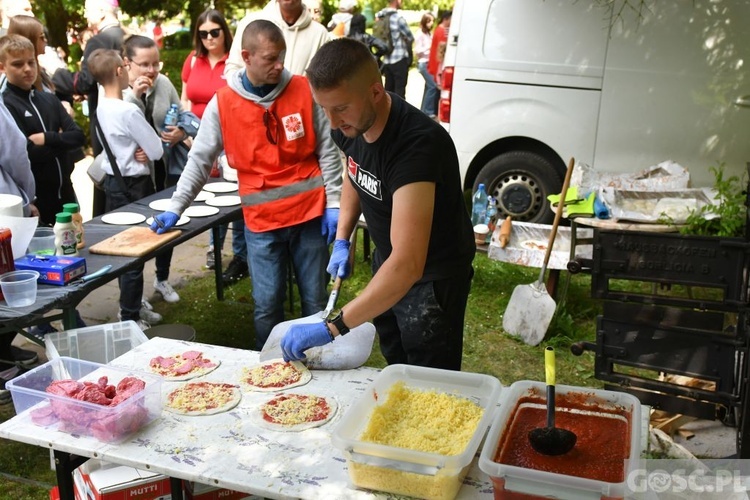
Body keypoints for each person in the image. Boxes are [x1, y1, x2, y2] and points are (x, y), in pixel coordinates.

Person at [281, 38, 475, 371]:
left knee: (429, 380)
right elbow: (354, 172)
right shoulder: (350, 124)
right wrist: (344, 237)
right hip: (388, 265)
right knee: (396, 362)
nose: (331, 121)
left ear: (375, 91)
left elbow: (408, 264)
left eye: (340, 107)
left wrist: (333, 327)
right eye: (323, 108)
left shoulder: (417, 146)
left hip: (431, 279)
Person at [152, 20, 342, 350]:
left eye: (281, 56)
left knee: (316, 301)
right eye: (270, 58)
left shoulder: (303, 90)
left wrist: (335, 204)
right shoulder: (223, 104)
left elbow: (327, 148)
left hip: (310, 216)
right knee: (267, 306)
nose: (279, 64)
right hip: (262, 223)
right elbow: (199, 161)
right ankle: (269, 371)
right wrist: (175, 207)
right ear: (247, 57)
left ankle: (322, 369)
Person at [88, 48, 164, 330]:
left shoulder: (100, 104)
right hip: (134, 185)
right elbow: (156, 150)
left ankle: (130, 307)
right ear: (120, 71)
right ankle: (129, 315)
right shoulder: (127, 109)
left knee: (124, 250)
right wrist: (145, 147)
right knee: (136, 250)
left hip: (113, 182)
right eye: (125, 65)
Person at [181, 9, 247, 283]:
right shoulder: (193, 60)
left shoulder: (233, 62)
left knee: (234, 196)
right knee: (207, 196)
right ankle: (214, 247)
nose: (209, 38)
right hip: (197, 139)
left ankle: (241, 255)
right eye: (203, 33)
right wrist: (188, 132)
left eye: (214, 32)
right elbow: (185, 96)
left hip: (228, 137)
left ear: (224, 32)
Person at [123, 35, 187, 304]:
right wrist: (136, 97)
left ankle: (162, 278)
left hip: (165, 168)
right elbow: (115, 134)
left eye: (155, 64)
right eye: (144, 64)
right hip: (136, 177)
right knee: (137, 234)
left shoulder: (163, 83)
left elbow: (182, 114)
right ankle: (133, 300)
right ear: (127, 63)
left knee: (167, 224)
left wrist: (180, 133)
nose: (151, 71)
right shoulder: (120, 92)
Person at [0, 35, 84, 226]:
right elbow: (26, 152)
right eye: (18, 64)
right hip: (39, 200)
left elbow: (78, 136)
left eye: (31, 62)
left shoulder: (49, 99)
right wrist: (62, 142)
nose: (27, 69)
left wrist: (47, 137)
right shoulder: (6, 106)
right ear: (2, 67)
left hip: (66, 194)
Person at [72, 0, 126, 217]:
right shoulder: (126, 36)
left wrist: (62, 77)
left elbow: (85, 82)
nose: (85, 14)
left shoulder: (98, 41)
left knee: (106, 175)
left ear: (102, 12)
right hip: (128, 112)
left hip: (105, 117)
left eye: (88, 9)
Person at [225, 0, 329, 77]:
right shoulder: (251, 23)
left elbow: (325, 82)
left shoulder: (320, 34)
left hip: (300, 105)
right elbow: (233, 70)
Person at [375, 0, 413, 99]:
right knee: (400, 93)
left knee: (388, 93)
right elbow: (410, 37)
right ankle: (399, 115)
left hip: (386, 60)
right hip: (399, 58)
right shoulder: (398, 18)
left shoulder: (380, 17)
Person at [415, 12, 437, 118]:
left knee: (428, 86)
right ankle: (428, 111)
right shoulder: (420, 34)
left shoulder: (429, 33)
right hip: (423, 62)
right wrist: (429, 47)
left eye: (432, 21)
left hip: (429, 62)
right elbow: (418, 50)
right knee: (433, 86)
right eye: (429, 21)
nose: (431, 23)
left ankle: (423, 110)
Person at [428, 9, 451, 95]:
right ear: (446, 19)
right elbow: (442, 48)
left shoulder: (439, 29)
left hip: (435, 63)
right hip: (438, 65)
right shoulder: (442, 31)